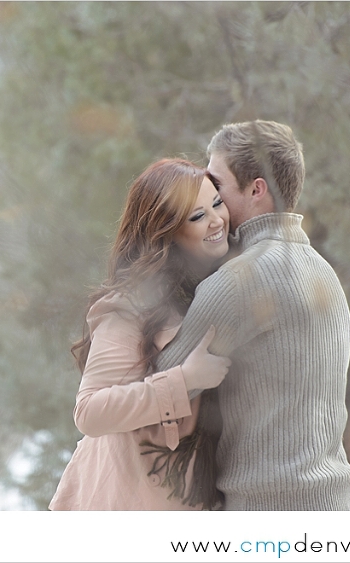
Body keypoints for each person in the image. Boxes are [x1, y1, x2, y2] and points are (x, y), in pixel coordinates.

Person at [156, 120, 350, 510]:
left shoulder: (241, 279)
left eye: (215, 184)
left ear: (256, 189)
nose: (205, 193)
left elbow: (155, 386)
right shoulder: (322, 271)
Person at [49, 158, 232, 510]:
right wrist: (185, 380)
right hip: (117, 504)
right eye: (196, 216)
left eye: (217, 203)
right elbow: (89, 412)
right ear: (167, 231)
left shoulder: (220, 287)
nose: (216, 221)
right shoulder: (130, 305)